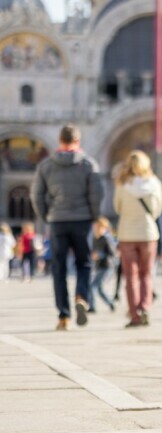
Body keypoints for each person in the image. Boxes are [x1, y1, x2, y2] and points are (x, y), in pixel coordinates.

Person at [30, 124, 104, 331]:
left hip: (57, 221)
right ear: (77, 141)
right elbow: (97, 194)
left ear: (60, 141)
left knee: (59, 268)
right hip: (82, 220)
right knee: (84, 263)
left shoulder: (46, 166)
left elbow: (36, 195)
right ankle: (82, 296)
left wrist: (46, 215)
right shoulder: (89, 165)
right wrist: (95, 215)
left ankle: (63, 315)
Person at [114, 150, 162, 327]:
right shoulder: (154, 183)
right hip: (148, 233)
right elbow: (157, 211)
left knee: (131, 276)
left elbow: (117, 207)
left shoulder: (122, 184)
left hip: (127, 234)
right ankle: (145, 308)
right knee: (146, 274)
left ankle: (134, 315)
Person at [89, 217, 117, 312]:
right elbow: (93, 251)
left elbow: (112, 252)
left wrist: (100, 255)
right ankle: (111, 303)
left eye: (98, 227)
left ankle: (92, 307)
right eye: (95, 227)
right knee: (99, 289)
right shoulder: (94, 238)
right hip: (99, 266)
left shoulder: (106, 238)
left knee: (93, 286)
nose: (96, 229)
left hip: (107, 266)